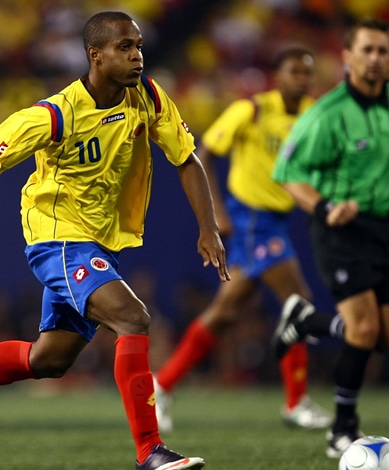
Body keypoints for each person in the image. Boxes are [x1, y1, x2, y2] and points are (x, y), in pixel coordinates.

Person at [0, 11, 230, 470]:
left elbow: (187, 159)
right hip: (58, 241)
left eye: (138, 46)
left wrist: (208, 227)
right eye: (125, 47)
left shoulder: (148, 97)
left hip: (99, 243)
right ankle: (150, 451)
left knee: (49, 359)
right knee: (132, 318)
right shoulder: (56, 113)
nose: (137, 56)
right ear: (96, 56)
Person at [153, 47, 332, 433]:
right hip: (251, 219)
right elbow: (204, 154)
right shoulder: (250, 110)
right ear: (277, 76)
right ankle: (296, 402)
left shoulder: (312, 115)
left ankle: (161, 386)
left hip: (276, 220)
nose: (302, 79)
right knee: (298, 301)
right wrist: (216, 212)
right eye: (294, 71)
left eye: (307, 72)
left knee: (226, 311)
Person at [271, 18, 389, 458]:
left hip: (382, 227)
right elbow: (287, 172)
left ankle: (306, 321)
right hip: (338, 229)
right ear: (347, 56)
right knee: (364, 327)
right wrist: (324, 207)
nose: (375, 58)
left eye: (383, 51)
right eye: (366, 50)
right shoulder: (327, 114)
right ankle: (343, 428)